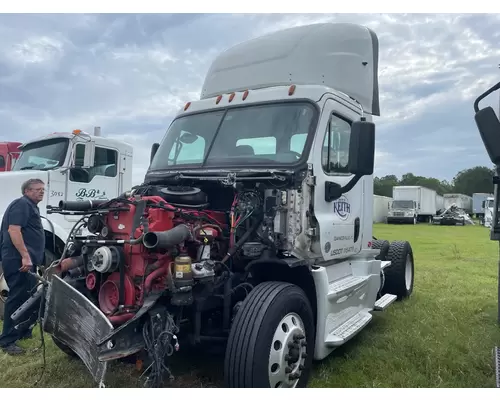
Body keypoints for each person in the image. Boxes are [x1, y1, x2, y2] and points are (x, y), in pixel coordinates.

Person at [0, 178, 45, 355]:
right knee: (18, 298)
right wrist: (25, 256)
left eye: (43, 189)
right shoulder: (22, 204)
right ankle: (7, 341)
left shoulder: (30, 205)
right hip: (18, 261)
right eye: (37, 189)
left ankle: (23, 331)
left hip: (26, 261)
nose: (41, 192)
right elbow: (13, 230)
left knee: (30, 296)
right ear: (26, 191)